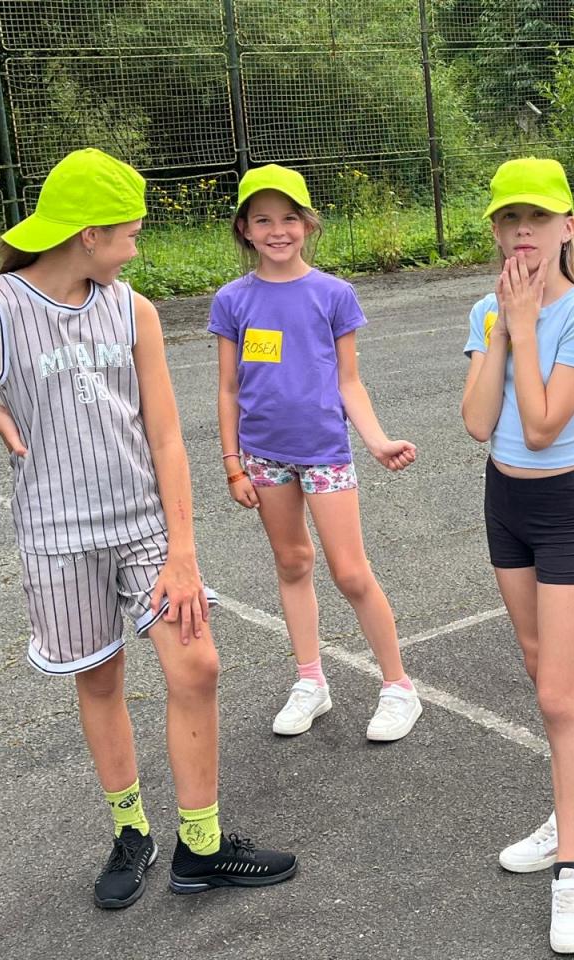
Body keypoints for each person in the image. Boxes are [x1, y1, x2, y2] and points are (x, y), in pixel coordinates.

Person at [0, 148, 296, 909]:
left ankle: (200, 846)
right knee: (100, 679)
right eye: (130, 234)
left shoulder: (133, 309)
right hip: (56, 537)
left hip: (144, 528)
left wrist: (183, 551)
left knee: (196, 666)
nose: (137, 249)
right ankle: (131, 832)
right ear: (88, 235)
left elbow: (166, 437)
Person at [460, 157, 574, 954]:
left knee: (557, 694)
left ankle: (573, 870)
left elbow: (546, 424)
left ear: (566, 228)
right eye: (509, 218)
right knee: (537, 665)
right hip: (505, 503)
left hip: (563, 508)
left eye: (538, 218)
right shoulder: (488, 309)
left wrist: (523, 328)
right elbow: (478, 422)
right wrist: (500, 327)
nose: (522, 231)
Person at [210, 164, 421, 739]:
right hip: (263, 457)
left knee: (350, 572)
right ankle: (310, 681)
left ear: (307, 224)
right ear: (244, 229)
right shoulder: (232, 300)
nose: (277, 230)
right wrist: (233, 464)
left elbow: (349, 381)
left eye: (289, 218)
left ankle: (398, 687)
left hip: (325, 453)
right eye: (262, 220)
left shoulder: (333, 294)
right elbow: (228, 390)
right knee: (292, 563)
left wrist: (376, 441)